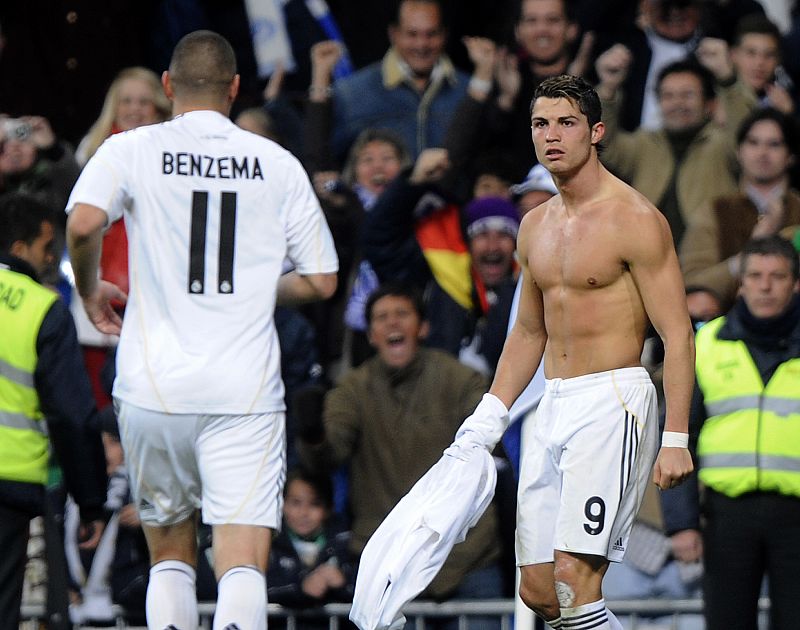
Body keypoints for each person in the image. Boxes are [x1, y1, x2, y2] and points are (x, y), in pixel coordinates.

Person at [65, 30, 338, 630]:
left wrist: (88, 289)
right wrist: (257, 286)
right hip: (243, 391)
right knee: (242, 563)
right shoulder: (276, 162)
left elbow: (83, 225)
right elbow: (321, 281)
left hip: (154, 385)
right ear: (235, 88)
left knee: (169, 557)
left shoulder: (132, 148)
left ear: (167, 86)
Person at [458, 74, 695, 630]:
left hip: (613, 402)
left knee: (574, 579)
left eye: (566, 123)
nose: (552, 135)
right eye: (541, 124)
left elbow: (678, 333)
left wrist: (676, 437)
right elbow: (528, 333)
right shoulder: (533, 226)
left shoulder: (635, 219)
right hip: (551, 405)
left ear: (596, 132)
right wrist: (488, 415)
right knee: (540, 591)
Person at [296, 282, 504, 626]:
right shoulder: (352, 389)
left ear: (422, 327)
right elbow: (329, 455)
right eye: (381, 317)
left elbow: (492, 444)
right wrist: (313, 435)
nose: (392, 322)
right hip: (390, 560)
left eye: (402, 314)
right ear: (371, 335)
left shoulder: (462, 380)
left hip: (467, 557)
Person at [663, 235, 800, 630]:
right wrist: (682, 523)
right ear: (740, 285)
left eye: (777, 276)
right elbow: (678, 435)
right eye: (755, 276)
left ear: (795, 284)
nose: (765, 286)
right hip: (726, 515)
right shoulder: (706, 343)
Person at [0, 193, 107, 630]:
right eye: (47, 247)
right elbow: (72, 416)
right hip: (8, 484)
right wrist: (91, 501)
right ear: (20, 247)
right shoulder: (40, 307)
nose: (51, 258)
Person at [594, 56, 741, 248]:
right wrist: (608, 90)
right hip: (645, 253)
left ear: (709, 104)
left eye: (687, 95)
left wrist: (729, 81)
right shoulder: (645, 143)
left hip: (708, 255)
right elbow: (605, 146)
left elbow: (746, 136)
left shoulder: (722, 145)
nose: (677, 103)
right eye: (668, 96)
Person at [680, 107, 800, 311]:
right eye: (753, 142)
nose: (762, 153)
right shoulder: (715, 210)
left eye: (774, 144)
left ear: (790, 156)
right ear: (739, 152)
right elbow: (691, 282)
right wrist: (750, 251)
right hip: (725, 319)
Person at [328, 0, 470, 160]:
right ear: (393, 34)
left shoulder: (469, 91)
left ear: (444, 35)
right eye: (412, 34)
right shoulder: (352, 93)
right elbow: (329, 162)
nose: (422, 44)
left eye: (431, 34)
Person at [267, 468, 356, 611]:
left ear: (329, 508)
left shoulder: (346, 543)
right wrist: (301, 589)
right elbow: (259, 591)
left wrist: (342, 584)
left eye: (315, 504)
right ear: (282, 504)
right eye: (296, 503)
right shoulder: (269, 543)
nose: (304, 513)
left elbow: (369, 595)